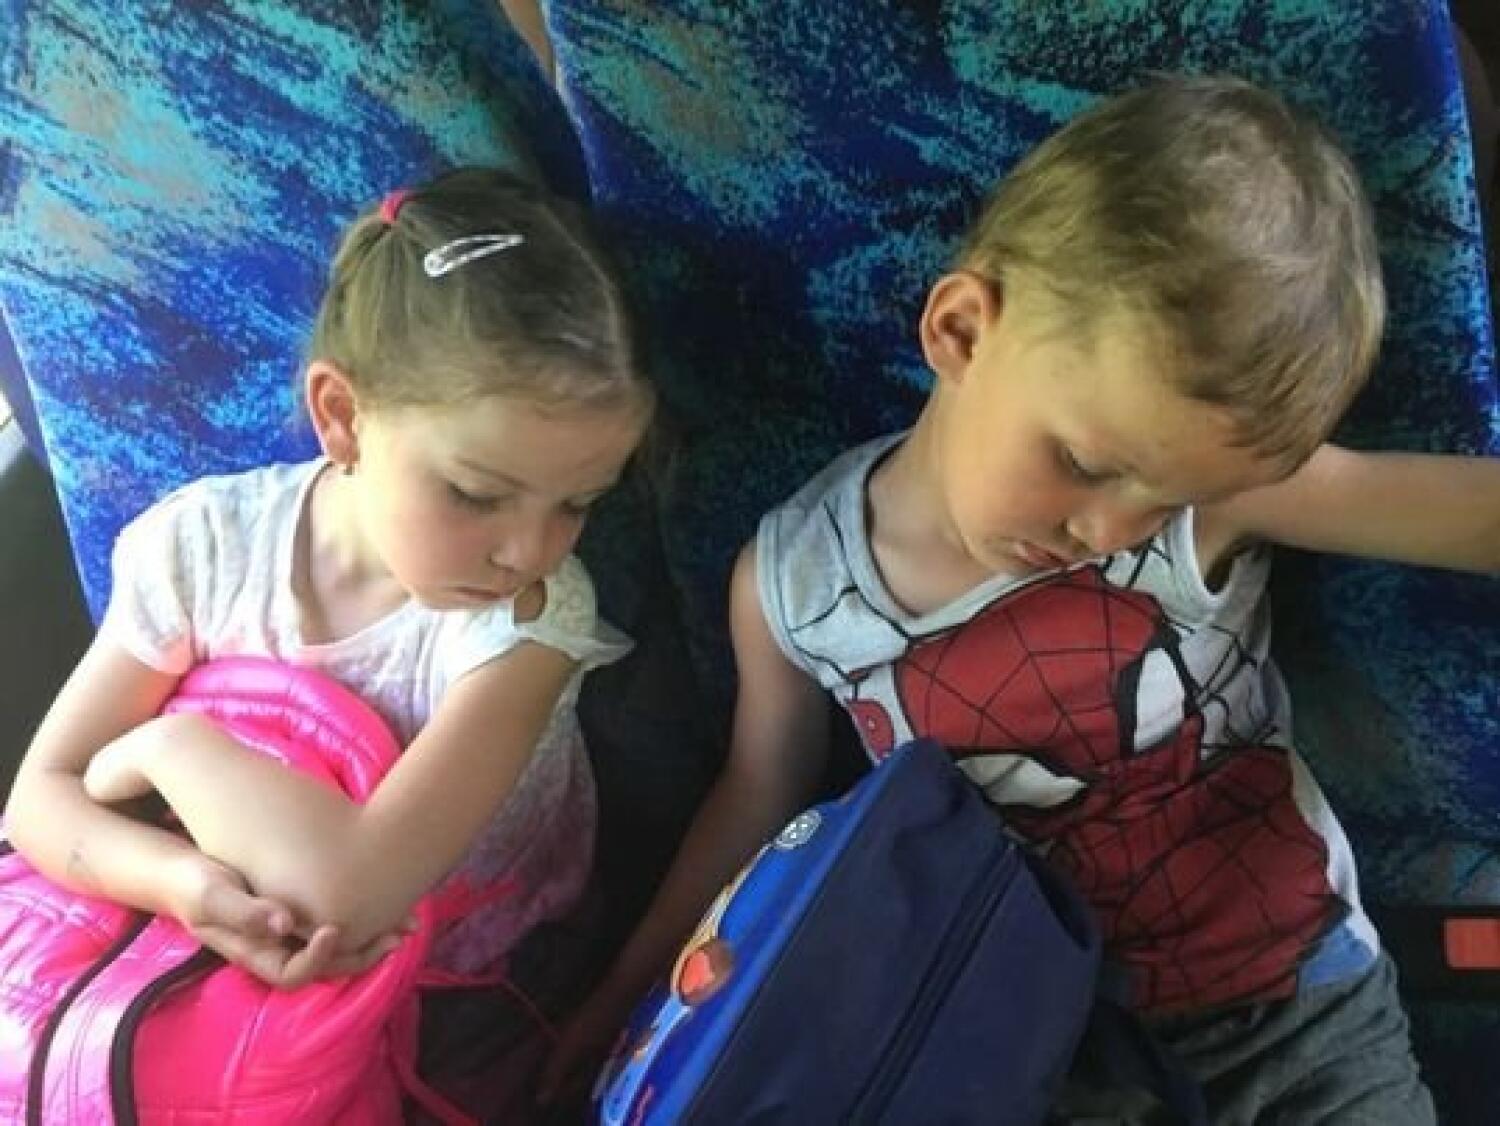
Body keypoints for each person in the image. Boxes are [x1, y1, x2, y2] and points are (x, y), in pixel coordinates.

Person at [543, 75, 1500, 1121]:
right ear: (960, 329)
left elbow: (1459, 512)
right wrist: (625, 993)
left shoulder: (1209, 498)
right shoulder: (793, 586)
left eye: (1164, 497)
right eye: (1084, 463)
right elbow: (757, 803)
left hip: (1300, 1003)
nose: (1114, 530)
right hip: (1037, 1037)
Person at [5, 167, 652, 1009]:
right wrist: (179, 882)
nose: (529, 551)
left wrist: (167, 747)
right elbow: (37, 799)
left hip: (478, 977)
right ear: (342, 415)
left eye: (578, 503)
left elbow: (350, 900)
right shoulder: (202, 549)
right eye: (476, 494)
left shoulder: (526, 624)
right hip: (224, 955)